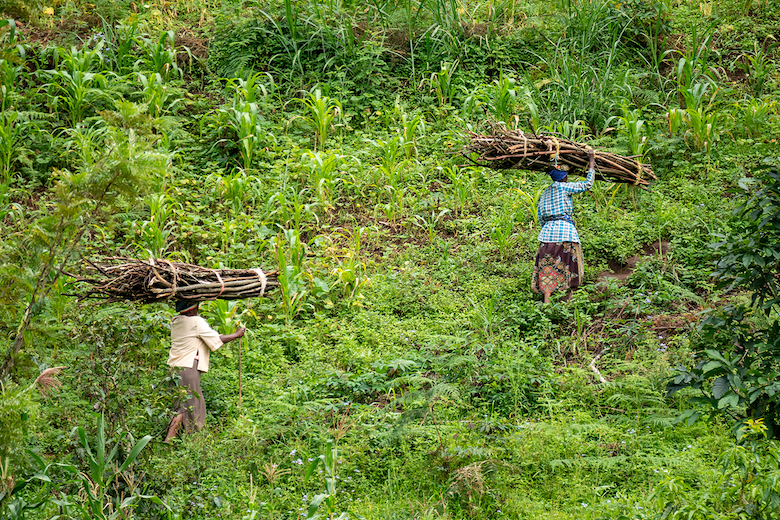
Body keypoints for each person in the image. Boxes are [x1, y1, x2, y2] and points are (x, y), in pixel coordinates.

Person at [164, 301, 245, 442]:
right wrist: (236, 334)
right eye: (196, 308)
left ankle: (171, 442)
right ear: (191, 310)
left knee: (180, 405)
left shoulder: (175, 321)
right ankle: (180, 441)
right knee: (190, 406)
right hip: (188, 369)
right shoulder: (196, 321)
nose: (198, 311)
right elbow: (216, 340)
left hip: (173, 369)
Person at [532, 148, 596, 304]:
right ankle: (569, 302)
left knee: (547, 267)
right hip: (566, 234)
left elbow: (540, 216)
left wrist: (548, 228)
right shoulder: (564, 187)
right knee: (570, 266)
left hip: (546, 236)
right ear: (564, 177)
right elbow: (588, 184)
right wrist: (592, 161)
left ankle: (547, 303)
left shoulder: (545, 192)